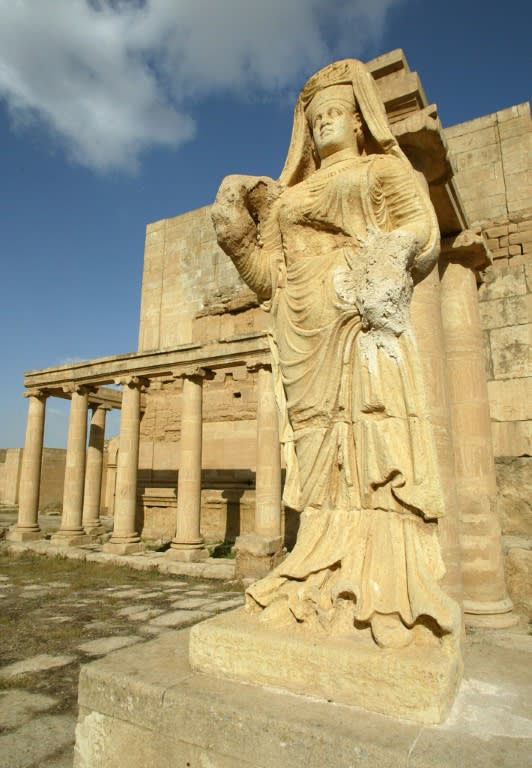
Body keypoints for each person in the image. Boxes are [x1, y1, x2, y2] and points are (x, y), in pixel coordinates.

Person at [212, 59, 460, 649]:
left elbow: (420, 228)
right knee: (317, 458)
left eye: (335, 114)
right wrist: (237, 239)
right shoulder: (288, 197)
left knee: (377, 448)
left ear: (357, 119)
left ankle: (385, 588)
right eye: (315, 116)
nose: (325, 123)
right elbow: (270, 277)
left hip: (360, 319)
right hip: (304, 332)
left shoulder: (381, 169)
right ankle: (315, 573)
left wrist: (392, 253)